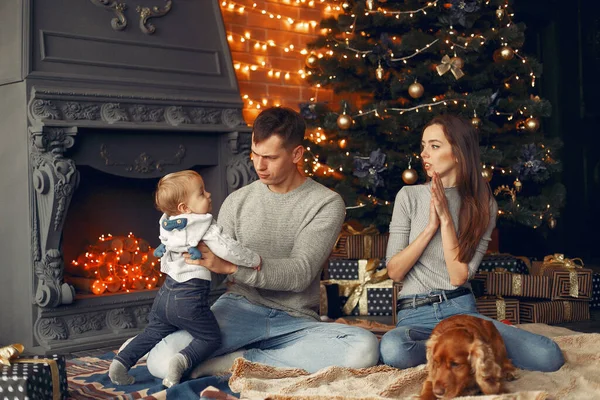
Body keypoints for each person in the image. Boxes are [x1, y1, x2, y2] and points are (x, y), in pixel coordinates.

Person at [139, 106, 380, 379]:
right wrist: (185, 265)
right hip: (238, 309)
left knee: (364, 349)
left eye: (270, 157)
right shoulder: (237, 201)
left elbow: (300, 274)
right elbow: (212, 273)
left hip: (294, 320)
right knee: (161, 360)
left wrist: (231, 268)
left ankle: (242, 361)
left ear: (297, 154)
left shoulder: (325, 203)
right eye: (254, 154)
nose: (259, 165)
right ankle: (257, 361)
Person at [379, 114, 564, 372]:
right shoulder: (408, 196)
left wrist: (445, 220)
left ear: (457, 153)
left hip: (461, 310)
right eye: (423, 146)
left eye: (434, 146)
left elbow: (457, 277)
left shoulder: (482, 205)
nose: (424, 154)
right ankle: (466, 352)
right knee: (393, 349)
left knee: (548, 356)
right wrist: (430, 227)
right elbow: (395, 271)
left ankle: (459, 350)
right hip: (415, 313)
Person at [109, 170, 262, 387]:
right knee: (210, 338)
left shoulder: (168, 223)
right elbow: (229, 249)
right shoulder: (203, 225)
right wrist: (254, 259)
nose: (209, 195)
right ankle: (180, 363)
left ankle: (121, 362)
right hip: (189, 300)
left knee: (152, 332)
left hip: (164, 296)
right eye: (201, 193)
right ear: (185, 208)